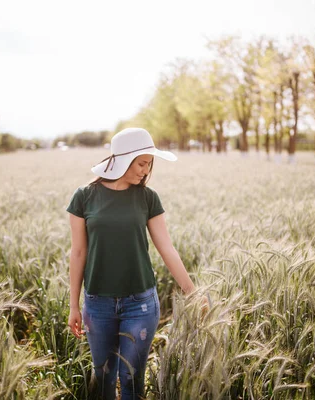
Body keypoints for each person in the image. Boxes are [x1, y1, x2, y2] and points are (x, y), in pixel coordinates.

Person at [66, 127, 207, 400]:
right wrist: (74, 305)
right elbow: (78, 252)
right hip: (98, 304)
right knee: (104, 380)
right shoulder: (84, 196)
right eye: (142, 163)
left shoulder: (147, 198)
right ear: (122, 159)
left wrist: (192, 291)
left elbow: (166, 247)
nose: (146, 170)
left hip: (140, 304)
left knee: (132, 382)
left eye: (149, 164)